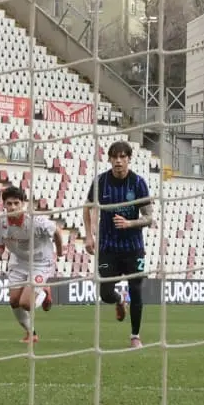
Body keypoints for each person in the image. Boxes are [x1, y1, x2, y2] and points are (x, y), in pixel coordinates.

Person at [83, 139, 151, 349]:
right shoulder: (101, 181)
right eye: (114, 157)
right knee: (105, 293)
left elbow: (149, 218)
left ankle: (135, 336)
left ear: (129, 159)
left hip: (133, 248)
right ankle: (120, 300)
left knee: (136, 290)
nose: (118, 161)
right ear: (110, 159)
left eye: (122, 157)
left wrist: (130, 223)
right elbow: (87, 207)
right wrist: (89, 235)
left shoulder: (138, 183)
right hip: (108, 247)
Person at [0, 185, 64, 344]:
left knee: (25, 303)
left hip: (40, 262)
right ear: (4, 205)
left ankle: (44, 291)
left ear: (23, 204)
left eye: (16, 203)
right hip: (19, 261)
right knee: (14, 301)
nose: (12, 207)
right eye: (9, 203)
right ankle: (31, 334)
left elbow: (57, 231)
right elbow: (0, 245)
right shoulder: (0, 221)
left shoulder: (36, 220)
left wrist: (59, 252)